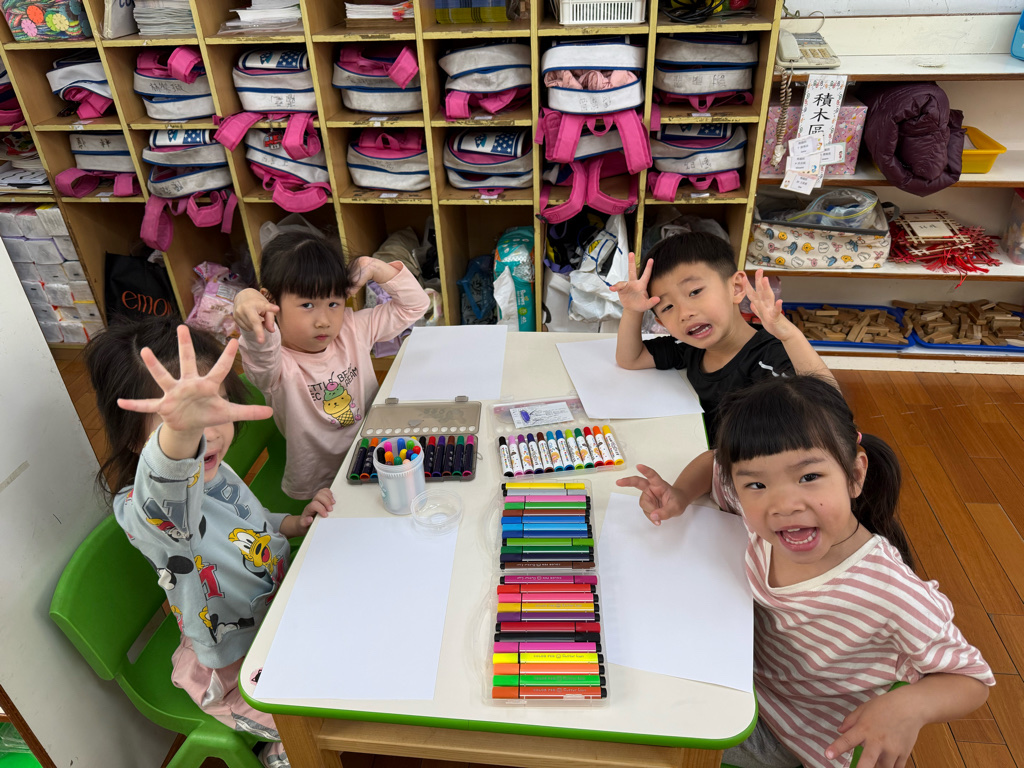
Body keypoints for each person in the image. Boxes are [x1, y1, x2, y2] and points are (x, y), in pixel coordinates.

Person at [625, 376, 995, 768]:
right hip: (741, 672)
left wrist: (908, 706)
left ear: (855, 475)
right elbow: (714, 464)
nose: (784, 504)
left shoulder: (889, 590)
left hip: (791, 737)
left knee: (638, 725)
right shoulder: (758, 511)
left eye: (809, 477)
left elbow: (973, 679)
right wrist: (680, 495)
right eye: (757, 484)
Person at [86, 318, 335, 768]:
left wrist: (293, 523)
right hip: (233, 666)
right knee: (315, 725)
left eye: (214, 408)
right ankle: (277, 751)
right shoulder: (149, 509)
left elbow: (248, 522)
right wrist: (181, 436)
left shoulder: (216, 468)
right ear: (133, 437)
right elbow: (168, 491)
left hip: (279, 614)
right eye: (181, 422)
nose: (209, 432)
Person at [611, 232, 834, 523]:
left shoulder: (768, 358)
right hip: (715, 467)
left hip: (771, 490)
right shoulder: (691, 347)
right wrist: (632, 310)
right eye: (667, 307)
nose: (685, 313)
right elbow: (630, 358)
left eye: (694, 292)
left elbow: (829, 407)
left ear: (737, 287)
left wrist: (789, 335)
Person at [233, 229, 431, 500]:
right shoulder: (276, 364)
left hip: (377, 453)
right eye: (307, 305)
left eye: (334, 303)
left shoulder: (352, 328)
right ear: (270, 301)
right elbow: (261, 349)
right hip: (321, 482)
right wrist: (247, 303)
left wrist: (375, 267)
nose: (324, 321)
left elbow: (415, 306)